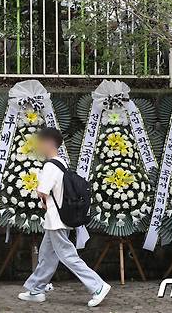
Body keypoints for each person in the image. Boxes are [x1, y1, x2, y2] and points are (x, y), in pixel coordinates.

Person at [18, 127, 111, 307]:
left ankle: (98, 286)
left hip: (56, 220)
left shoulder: (50, 165)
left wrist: (41, 195)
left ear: (49, 143)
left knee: (68, 256)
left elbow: (42, 191)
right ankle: (36, 290)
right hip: (59, 219)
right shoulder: (62, 163)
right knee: (46, 255)